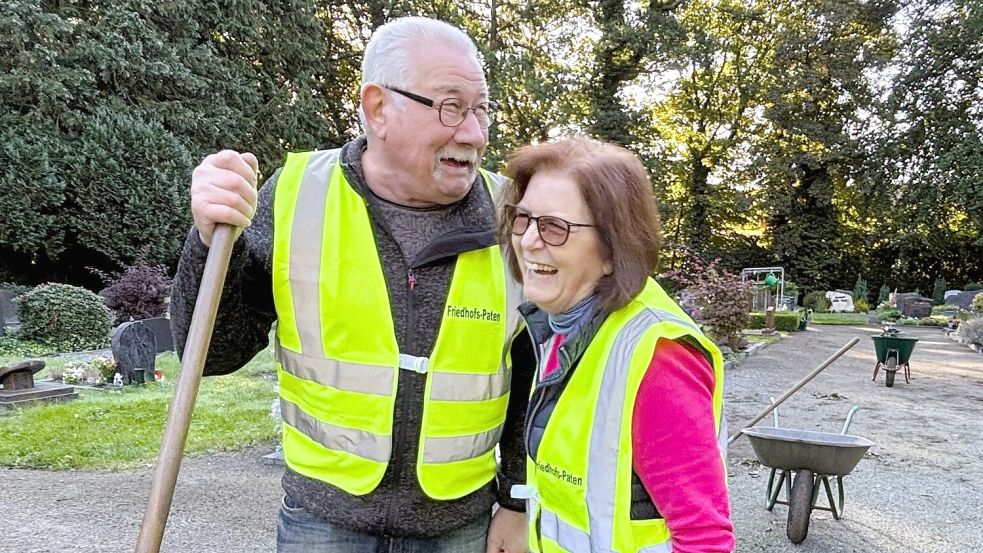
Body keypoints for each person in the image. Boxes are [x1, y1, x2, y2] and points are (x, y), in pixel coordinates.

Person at [170, 16, 530, 553]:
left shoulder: (514, 220)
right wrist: (209, 241)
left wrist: (517, 499)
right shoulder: (294, 197)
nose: (473, 133)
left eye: (481, 109)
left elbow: (536, 371)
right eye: (451, 107)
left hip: (459, 527)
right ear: (379, 108)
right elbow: (214, 353)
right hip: (323, 523)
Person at [500, 137, 734, 552]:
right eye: (523, 218)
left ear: (613, 250)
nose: (530, 241)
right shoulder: (561, 327)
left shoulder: (657, 359)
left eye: (555, 227)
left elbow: (704, 537)